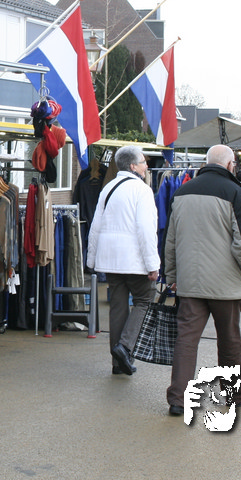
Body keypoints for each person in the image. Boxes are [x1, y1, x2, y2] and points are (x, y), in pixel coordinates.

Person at [165, 144, 241, 416]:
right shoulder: (236, 194)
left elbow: (171, 239)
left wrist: (172, 275)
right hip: (225, 283)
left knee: (186, 340)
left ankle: (178, 399)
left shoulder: (182, 192)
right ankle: (234, 394)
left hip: (190, 281)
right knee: (229, 339)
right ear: (229, 165)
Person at [86, 145, 159, 376]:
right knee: (145, 300)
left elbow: (95, 226)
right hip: (135, 260)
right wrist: (153, 265)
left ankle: (118, 364)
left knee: (118, 306)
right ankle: (125, 348)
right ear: (133, 166)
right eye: (144, 162)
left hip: (110, 259)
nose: (146, 166)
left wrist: (92, 259)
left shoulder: (108, 188)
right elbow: (146, 229)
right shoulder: (142, 190)